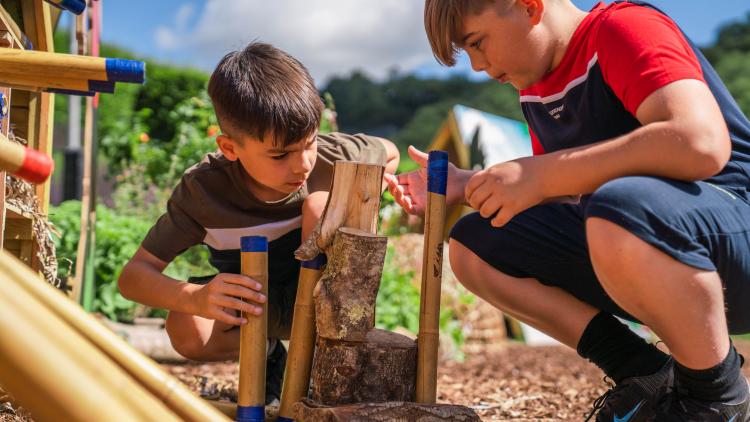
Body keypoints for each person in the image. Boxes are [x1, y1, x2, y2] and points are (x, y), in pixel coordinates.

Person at [386, 1, 750, 420]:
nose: (478, 67)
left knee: (620, 207)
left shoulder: (623, 28)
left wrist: (540, 175)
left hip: (730, 237)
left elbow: (700, 143)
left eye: (477, 43)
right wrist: (467, 185)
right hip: (649, 246)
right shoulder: (537, 87)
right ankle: (645, 375)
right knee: (476, 243)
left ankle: (715, 397)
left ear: (528, 6)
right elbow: (568, 193)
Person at [119, 42, 399, 403]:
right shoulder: (203, 191)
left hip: (320, 301)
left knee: (317, 204)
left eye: (309, 143)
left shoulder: (329, 156)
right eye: (280, 154)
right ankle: (267, 354)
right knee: (185, 328)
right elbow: (133, 277)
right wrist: (196, 297)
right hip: (255, 303)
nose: (302, 165)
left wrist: (362, 196)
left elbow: (389, 152)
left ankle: (329, 356)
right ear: (230, 148)